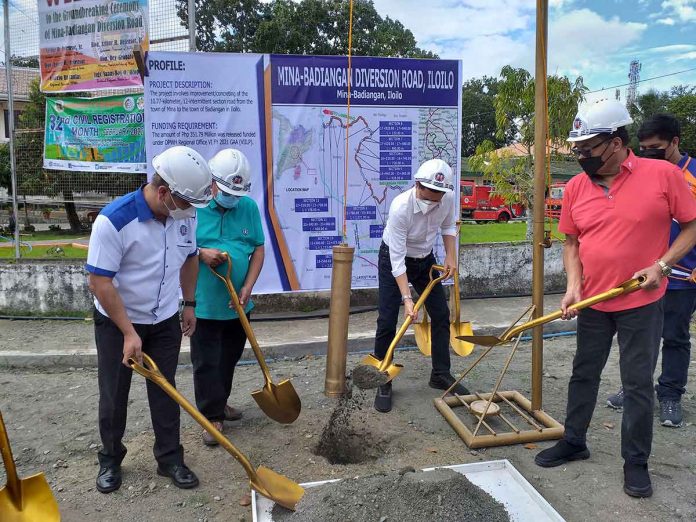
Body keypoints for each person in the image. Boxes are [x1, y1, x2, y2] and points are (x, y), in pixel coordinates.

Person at [534, 99, 696, 498]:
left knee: (637, 383)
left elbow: (692, 226)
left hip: (641, 301)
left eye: (588, 148)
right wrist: (573, 286)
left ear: (617, 141)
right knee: (583, 374)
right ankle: (575, 440)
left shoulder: (662, 175)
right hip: (593, 300)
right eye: (579, 149)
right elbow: (571, 243)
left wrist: (661, 264)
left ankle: (636, 463)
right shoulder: (575, 187)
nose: (582, 155)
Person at [86, 146, 212, 493]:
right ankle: (111, 459)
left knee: (166, 388)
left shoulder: (184, 214)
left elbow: (189, 259)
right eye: (185, 203)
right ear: (162, 192)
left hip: (165, 317)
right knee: (114, 393)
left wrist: (189, 303)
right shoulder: (114, 220)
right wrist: (128, 332)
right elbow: (99, 281)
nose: (189, 211)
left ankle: (170, 458)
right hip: (118, 323)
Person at [606, 114, 696, 428]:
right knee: (638, 338)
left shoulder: (693, 175)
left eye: (656, 148)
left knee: (674, 336)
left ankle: (670, 394)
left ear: (675, 142)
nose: (648, 154)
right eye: (643, 148)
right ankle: (635, 388)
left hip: (682, 276)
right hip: (641, 277)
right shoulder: (639, 174)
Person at [372, 158, 469, 414]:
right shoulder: (400, 207)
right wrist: (407, 299)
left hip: (425, 259)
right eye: (430, 193)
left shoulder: (446, 198)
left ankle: (440, 374)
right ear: (418, 185)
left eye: (439, 194)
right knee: (387, 318)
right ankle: (382, 378)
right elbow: (396, 261)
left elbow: (448, 226)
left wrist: (450, 256)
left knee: (440, 314)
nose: (434, 199)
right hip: (394, 257)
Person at [190, 149, 265, 445]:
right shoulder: (193, 208)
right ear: (211, 183)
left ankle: (219, 403)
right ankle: (211, 418)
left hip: (239, 304)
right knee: (206, 361)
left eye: (235, 193)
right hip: (205, 304)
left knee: (229, 358)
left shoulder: (247, 207)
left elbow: (258, 249)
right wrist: (200, 253)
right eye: (225, 191)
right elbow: (175, 245)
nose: (230, 198)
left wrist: (248, 287)